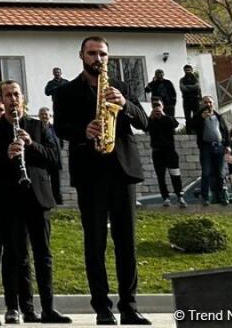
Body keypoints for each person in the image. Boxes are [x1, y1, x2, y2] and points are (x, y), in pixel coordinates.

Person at [52, 36, 150, 326]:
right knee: (95, 242)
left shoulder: (119, 87)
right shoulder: (66, 92)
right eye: (92, 53)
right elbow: (60, 129)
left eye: (103, 54)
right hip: (89, 172)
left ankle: (130, 306)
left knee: (126, 242)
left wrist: (126, 105)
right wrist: (85, 130)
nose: (98, 58)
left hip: (122, 171)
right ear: (81, 55)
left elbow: (143, 122)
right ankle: (102, 308)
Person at [0, 81, 69, 325]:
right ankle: (15, 307)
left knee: (44, 255)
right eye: (7, 95)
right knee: (15, 256)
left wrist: (32, 145)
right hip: (8, 198)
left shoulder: (38, 126)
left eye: (16, 94)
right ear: (2, 99)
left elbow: (54, 159)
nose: (12, 99)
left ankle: (48, 308)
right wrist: (6, 156)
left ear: (23, 98)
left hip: (37, 196)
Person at [188, 98, 229, 206]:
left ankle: (220, 196)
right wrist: (202, 118)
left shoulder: (218, 116)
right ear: (202, 104)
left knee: (220, 174)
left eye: (210, 102)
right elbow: (191, 127)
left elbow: (225, 130)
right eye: (206, 102)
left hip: (219, 147)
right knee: (206, 173)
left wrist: (227, 145)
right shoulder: (198, 116)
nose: (208, 104)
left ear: (213, 104)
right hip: (206, 147)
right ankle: (205, 197)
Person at [145, 101, 186, 207]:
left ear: (162, 106)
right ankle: (165, 197)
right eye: (154, 106)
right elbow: (145, 127)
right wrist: (151, 117)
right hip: (157, 152)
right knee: (161, 176)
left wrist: (163, 115)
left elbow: (175, 124)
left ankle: (179, 195)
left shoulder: (168, 119)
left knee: (175, 174)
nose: (156, 108)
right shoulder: (151, 120)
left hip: (170, 151)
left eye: (158, 105)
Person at [38, 108, 64, 206]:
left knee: (56, 181)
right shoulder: (37, 128)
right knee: (44, 181)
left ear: (50, 116)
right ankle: (45, 200)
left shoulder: (54, 129)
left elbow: (60, 143)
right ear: (39, 116)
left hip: (55, 159)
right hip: (44, 159)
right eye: (42, 114)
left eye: (46, 114)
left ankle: (57, 200)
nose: (44, 116)